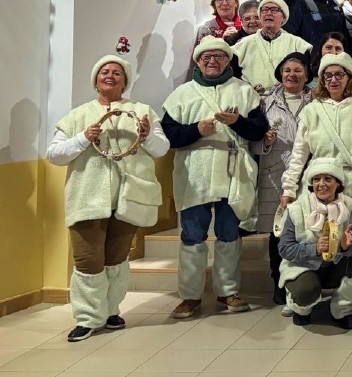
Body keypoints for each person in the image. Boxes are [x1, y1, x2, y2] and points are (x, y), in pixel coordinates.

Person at [48, 55, 169, 341]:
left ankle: (111, 310)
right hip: (87, 198)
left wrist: (148, 134)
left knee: (116, 258)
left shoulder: (143, 111)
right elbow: (54, 154)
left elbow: (161, 148)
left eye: (117, 72)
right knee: (88, 260)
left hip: (129, 197)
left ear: (125, 81)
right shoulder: (78, 115)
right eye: (104, 72)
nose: (110, 76)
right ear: (95, 80)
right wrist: (82, 138)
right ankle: (89, 318)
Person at [162, 37, 268, 319]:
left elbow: (259, 130)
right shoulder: (181, 95)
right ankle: (190, 296)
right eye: (206, 57)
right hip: (194, 170)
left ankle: (228, 291)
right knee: (193, 236)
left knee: (229, 234)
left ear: (228, 60)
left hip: (232, 169)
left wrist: (239, 123)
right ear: (197, 61)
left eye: (219, 56)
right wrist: (197, 129)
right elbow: (169, 136)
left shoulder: (245, 92)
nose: (212, 61)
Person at [277, 160, 352, 329]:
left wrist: (346, 247)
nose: (321, 184)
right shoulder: (296, 209)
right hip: (305, 266)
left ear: (338, 183)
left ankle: (342, 310)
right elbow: (285, 248)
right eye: (317, 179)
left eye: (328, 179)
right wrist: (315, 248)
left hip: (336, 265)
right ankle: (301, 309)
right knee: (306, 291)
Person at [281, 53, 352, 205]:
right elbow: (299, 155)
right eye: (328, 75)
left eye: (339, 75)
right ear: (322, 80)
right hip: (320, 189)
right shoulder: (311, 111)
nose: (333, 80)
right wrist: (289, 189)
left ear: (350, 77)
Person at [254, 53, 313, 307]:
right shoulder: (265, 103)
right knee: (278, 232)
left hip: (309, 172)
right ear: (280, 74)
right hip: (275, 171)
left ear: (307, 76)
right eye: (287, 70)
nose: (292, 75)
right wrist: (264, 143)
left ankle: (304, 282)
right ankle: (278, 283)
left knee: (307, 229)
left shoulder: (316, 101)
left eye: (298, 70)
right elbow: (252, 142)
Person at [231, 0, 313, 95]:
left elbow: (306, 77)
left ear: (283, 17)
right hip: (252, 100)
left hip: (288, 98)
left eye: (274, 10)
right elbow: (233, 77)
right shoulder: (243, 45)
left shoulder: (299, 45)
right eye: (264, 10)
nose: (269, 13)